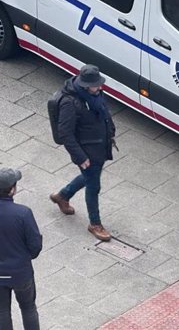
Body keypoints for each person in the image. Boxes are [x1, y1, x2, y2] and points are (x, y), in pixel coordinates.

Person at [49, 65, 116, 242]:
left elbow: (104, 114)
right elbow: (65, 133)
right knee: (94, 186)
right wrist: (81, 157)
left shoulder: (93, 94)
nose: (99, 87)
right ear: (86, 85)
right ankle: (95, 224)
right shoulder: (69, 103)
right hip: (87, 151)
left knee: (90, 176)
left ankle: (62, 196)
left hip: (100, 147)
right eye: (96, 85)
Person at [0, 168, 42, 330]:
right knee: (28, 308)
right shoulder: (23, 213)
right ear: (12, 190)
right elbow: (35, 246)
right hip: (20, 272)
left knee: (2, 312)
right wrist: (25, 256)